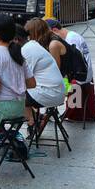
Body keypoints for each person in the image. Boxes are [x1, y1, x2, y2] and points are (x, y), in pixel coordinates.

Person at [21, 18, 67, 155]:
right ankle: (34, 119)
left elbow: (24, 77)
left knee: (16, 97)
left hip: (51, 93)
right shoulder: (40, 46)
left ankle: (31, 123)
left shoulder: (30, 49)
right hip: (58, 91)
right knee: (22, 94)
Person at [48, 17, 95, 126]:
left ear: (54, 31)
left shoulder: (71, 40)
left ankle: (54, 111)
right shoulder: (70, 36)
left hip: (79, 78)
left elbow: (74, 65)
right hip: (81, 74)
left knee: (52, 85)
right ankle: (52, 111)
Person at [0, 13, 29, 134]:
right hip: (19, 107)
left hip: (2, 109)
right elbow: (32, 83)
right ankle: (3, 137)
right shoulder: (17, 53)